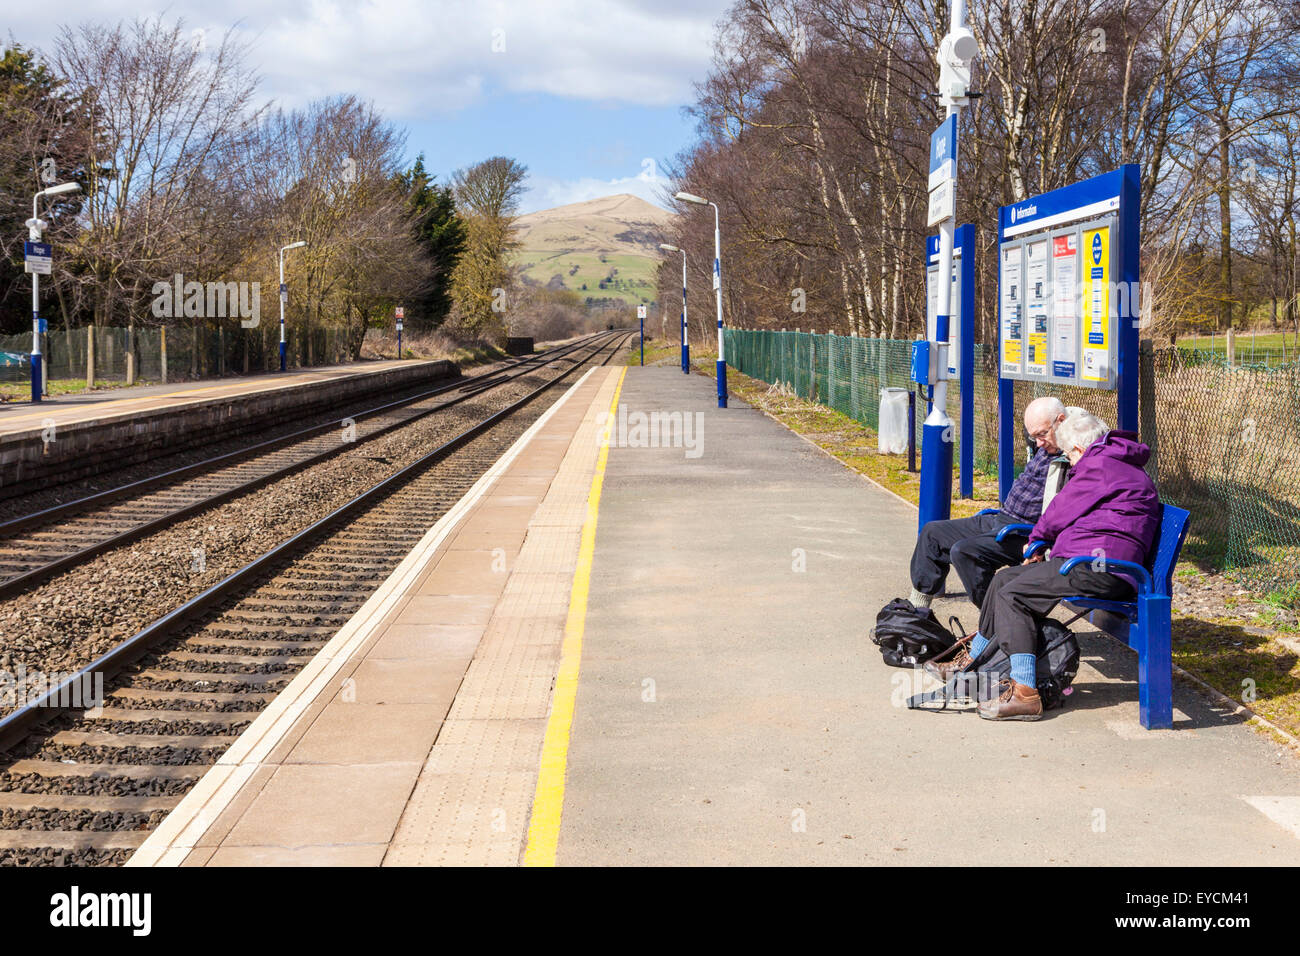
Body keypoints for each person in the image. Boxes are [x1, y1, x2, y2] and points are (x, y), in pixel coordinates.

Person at [925, 413, 1161, 720]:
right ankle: (973, 660)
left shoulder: (1099, 464)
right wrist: (1043, 546)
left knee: (1014, 595)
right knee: (1003, 581)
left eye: (1069, 456)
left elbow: (1059, 511)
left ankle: (1026, 693)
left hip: (1102, 569)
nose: (1070, 464)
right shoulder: (1112, 460)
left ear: (1077, 449)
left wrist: (1036, 540)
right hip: (1091, 562)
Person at [907, 396, 1073, 609]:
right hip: (1002, 519)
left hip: (1022, 533)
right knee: (933, 533)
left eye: (1042, 434)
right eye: (1034, 437)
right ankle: (917, 612)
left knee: (965, 552)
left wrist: (1041, 541)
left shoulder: (1073, 454)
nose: (1039, 443)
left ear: (1061, 421)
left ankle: (998, 618)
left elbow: (1065, 512)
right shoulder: (1048, 446)